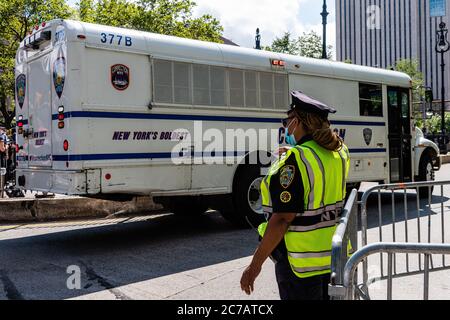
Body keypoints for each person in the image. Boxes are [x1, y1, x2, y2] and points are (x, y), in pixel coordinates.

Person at [240, 91, 350, 300]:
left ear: (297, 122)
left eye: (287, 120)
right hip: (333, 259)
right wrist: (296, 149)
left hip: (300, 266)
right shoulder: (339, 152)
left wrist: (254, 266)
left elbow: (282, 219)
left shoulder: (296, 160)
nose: (285, 126)